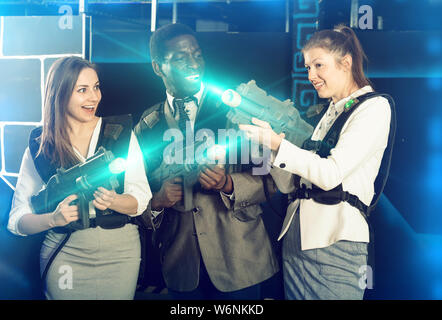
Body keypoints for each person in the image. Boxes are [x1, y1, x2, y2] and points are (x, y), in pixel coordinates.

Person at [239, 25, 394, 300]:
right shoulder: (331, 112)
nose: (311, 75)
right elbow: (292, 186)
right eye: (308, 67)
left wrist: (279, 145)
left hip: (335, 241)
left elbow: (331, 174)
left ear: (345, 63)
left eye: (318, 65)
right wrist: (271, 150)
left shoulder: (374, 107)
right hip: (298, 239)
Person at [134, 23, 279, 300]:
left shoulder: (237, 109)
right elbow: (135, 193)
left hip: (241, 262)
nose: (193, 64)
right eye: (180, 58)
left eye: (197, 54)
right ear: (157, 67)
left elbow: (271, 180)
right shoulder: (147, 126)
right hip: (182, 268)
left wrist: (229, 184)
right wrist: (156, 201)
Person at [7, 56, 152, 300]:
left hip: (121, 254)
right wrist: (53, 219)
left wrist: (114, 201)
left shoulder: (120, 132)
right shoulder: (41, 144)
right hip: (65, 252)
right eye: (82, 90)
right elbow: (17, 220)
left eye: (96, 87)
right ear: (60, 94)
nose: (94, 97)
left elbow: (141, 198)